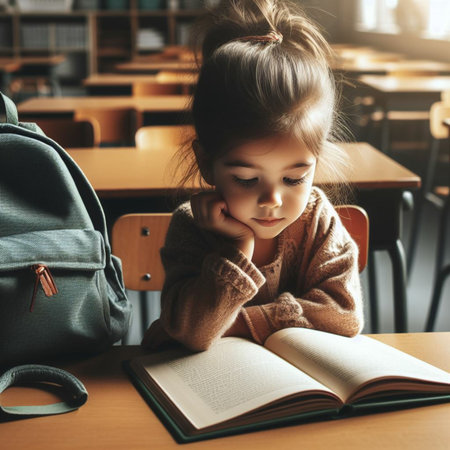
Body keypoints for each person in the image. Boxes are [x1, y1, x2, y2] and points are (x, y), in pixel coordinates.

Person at [142, 0, 364, 352]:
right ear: (206, 163)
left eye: (294, 179)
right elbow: (192, 332)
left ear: (315, 163)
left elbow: (343, 316)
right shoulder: (192, 226)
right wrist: (237, 248)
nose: (272, 200)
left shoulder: (318, 221)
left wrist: (235, 325)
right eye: (246, 179)